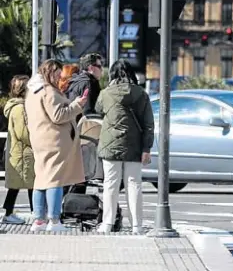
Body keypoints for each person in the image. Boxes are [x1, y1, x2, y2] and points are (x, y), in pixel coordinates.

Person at [25, 59, 88, 232]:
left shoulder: (33, 91)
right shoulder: (49, 92)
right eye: (58, 73)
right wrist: (77, 105)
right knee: (55, 179)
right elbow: (58, 116)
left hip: (39, 139)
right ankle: (54, 220)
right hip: (54, 141)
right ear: (51, 72)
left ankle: (38, 220)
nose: (60, 76)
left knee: (41, 179)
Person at [95, 59, 154, 235]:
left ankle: (107, 224)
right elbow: (149, 124)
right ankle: (137, 226)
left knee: (110, 184)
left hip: (110, 145)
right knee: (134, 184)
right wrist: (147, 148)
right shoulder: (141, 94)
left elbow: (98, 109)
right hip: (134, 145)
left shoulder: (106, 93)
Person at [2, 75, 34, 224]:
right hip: (23, 152)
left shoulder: (17, 106)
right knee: (31, 185)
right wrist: (36, 140)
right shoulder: (20, 108)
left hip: (20, 152)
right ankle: (35, 213)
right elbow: (23, 133)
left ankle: (9, 212)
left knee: (20, 185)